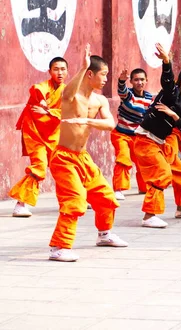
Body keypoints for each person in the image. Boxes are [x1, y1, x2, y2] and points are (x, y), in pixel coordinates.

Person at [48, 44, 127, 262]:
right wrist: (82, 67)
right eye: (103, 74)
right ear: (90, 74)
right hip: (63, 158)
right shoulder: (71, 97)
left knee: (106, 198)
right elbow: (68, 92)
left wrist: (86, 120)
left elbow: (110, 124)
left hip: (83, 158)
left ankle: (104, 234)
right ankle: (59, 247)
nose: (105, 79)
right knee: (75, 199)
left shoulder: (99, 100)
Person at [133, 43, 181, 228]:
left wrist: (173, 115)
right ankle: (149, 216)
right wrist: (166, 61)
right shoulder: (170, 94)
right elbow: (167, 80)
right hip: (145, 140)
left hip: (162, 143)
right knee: (162, 173)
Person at [10, 57, 68, 217]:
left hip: (53, 134)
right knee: (39, 167)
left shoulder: (67, 91)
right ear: (50, 71)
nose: (60, 72)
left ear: (67, 71)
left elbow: (70, 112)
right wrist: (43, 103)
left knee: (62, 166)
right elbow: (37, 91)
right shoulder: (42, 87)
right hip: (35, 134)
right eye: (56, 69)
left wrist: (49, 111)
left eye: (63, 69)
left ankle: (71, 200)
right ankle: (20, 204)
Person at [110, 68, 154, 200]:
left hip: (138, 136)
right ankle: (119, 188)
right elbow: (121, 91)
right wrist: (121, 81)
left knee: (142, 161)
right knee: (123, 158)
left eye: (142, 79)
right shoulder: (128, 94)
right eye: (136, 79)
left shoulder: (149, 98)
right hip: (121, 134)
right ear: (131, 81)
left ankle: (143, 187)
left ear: (146, 81)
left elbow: (150, 116)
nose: (139, 82)